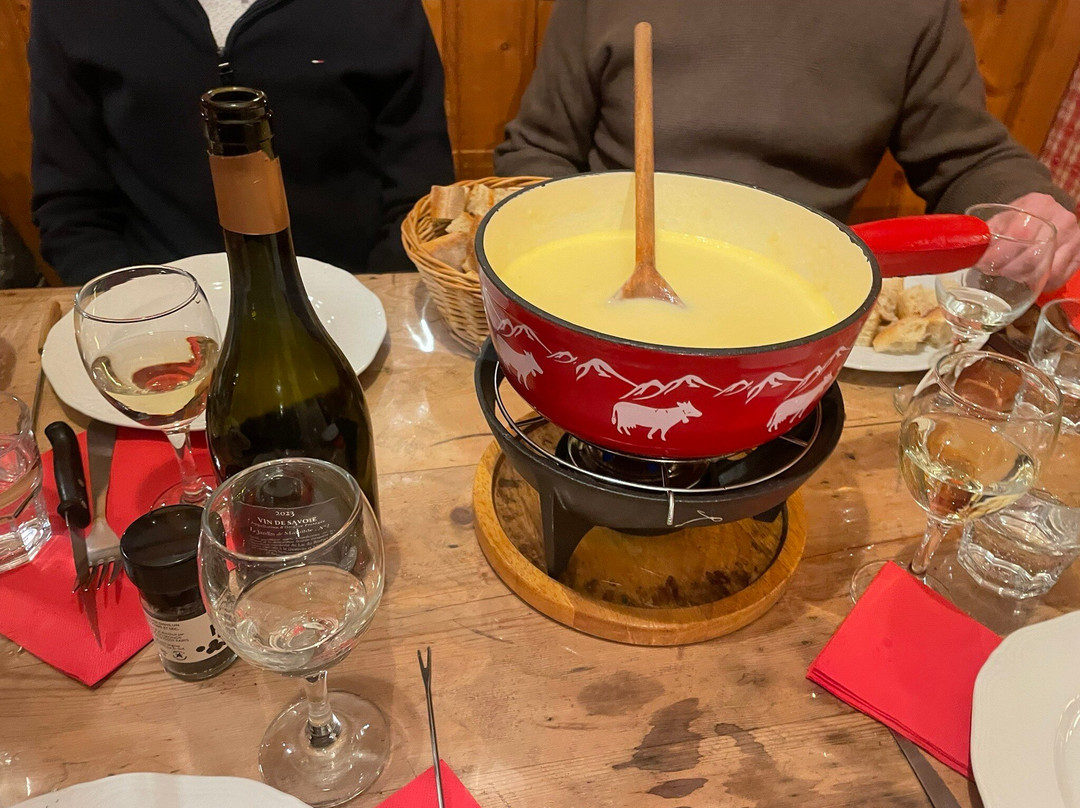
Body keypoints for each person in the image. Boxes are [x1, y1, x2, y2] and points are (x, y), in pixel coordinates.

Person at [495, 0, 1080, 290]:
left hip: (804, 299)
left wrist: (1027, 206)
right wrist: (570, 272)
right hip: (620, 271)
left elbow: (969, 159)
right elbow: (537, 152)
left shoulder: (914, 10)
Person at [30, 0, 455, 285]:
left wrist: (374, 297)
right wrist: (140, 314)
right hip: (157, 304)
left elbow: (420, 197)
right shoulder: (72, 10)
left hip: (350, 289)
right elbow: (72, 207)